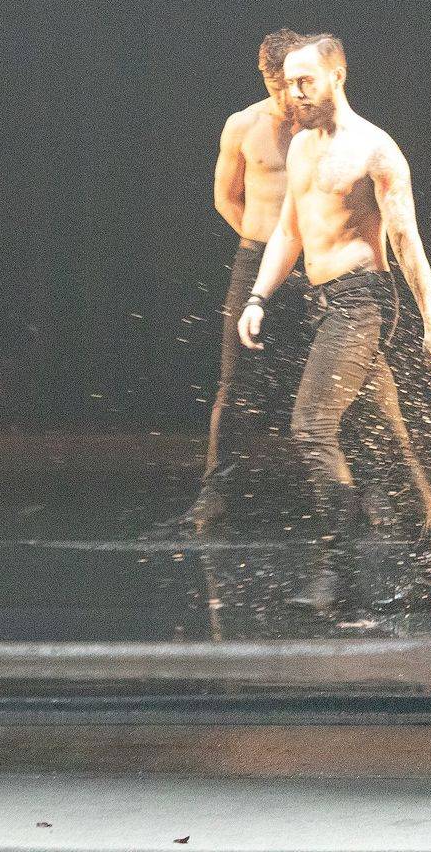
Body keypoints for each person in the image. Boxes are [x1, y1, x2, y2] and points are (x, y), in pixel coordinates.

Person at [239, 34, 431, 622]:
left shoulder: (375, 150)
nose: (295, 92)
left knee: (311, 427)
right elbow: (289, 230)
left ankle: (337, 566)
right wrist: (258, 296)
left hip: (363, 302)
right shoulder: (301, 147)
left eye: (305, 80)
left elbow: (407, 242)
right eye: (288, 82)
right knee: (388, 443)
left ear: (337, 76)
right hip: (325, 303)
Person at [183, 29, 307, 532]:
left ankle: (367, 491)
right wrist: (268, 249)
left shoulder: (321, 126)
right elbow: (225, 196)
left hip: (318, 262)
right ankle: (217, 490)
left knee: (344, 381)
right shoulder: (243, 125)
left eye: (290, 84)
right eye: (274, 85)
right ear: (264, 78)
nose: (284, 96)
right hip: (256, 257)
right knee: (235, 381)